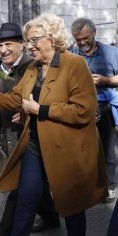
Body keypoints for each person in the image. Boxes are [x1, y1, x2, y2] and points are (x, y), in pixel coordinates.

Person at [0, 14, 108, 236]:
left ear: (53, 38)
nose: (30, 45)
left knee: (71, 207)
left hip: (66, 149)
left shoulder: (74, 64)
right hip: (35, 147)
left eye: (35, 39)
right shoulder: (33, 69)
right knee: (25, 202)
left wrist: (41, 110)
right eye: (28, 40)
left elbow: (85, 110)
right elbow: (14, 99)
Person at [0, 22, 60, 236]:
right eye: (0, 45)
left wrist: (30, 111)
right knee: (31, 185)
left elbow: (48, 98)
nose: (3, 49)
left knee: (19, 187)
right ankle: (50, 216)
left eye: (9, 44)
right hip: (9, 135)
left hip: (32, 135)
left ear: (21, 45)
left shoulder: (34, 66)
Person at [70, 17, 118, 203]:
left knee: (107, 149)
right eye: (78, 39)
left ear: (94, 33)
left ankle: (108, 186)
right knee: (81, 151)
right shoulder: (71, 55)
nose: (81, 43)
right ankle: (86, 185)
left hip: (104, 109)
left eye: (85, 38)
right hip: (79, 110)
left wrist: (105, 81)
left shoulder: (112, 52)